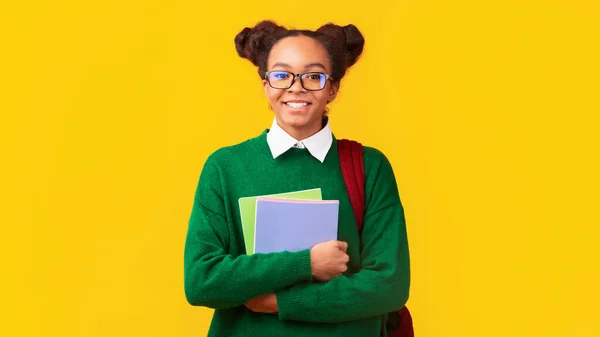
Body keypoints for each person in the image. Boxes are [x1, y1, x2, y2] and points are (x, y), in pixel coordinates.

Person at [183, 20, 411, 337]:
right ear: (266, 85)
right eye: (281, 75)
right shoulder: (225, 167)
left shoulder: (369, 167)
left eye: (313, 76)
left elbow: (389, 285)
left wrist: (280, 301)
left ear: (332, 87)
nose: (296, 87)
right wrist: (306, 263)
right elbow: (201, 280)